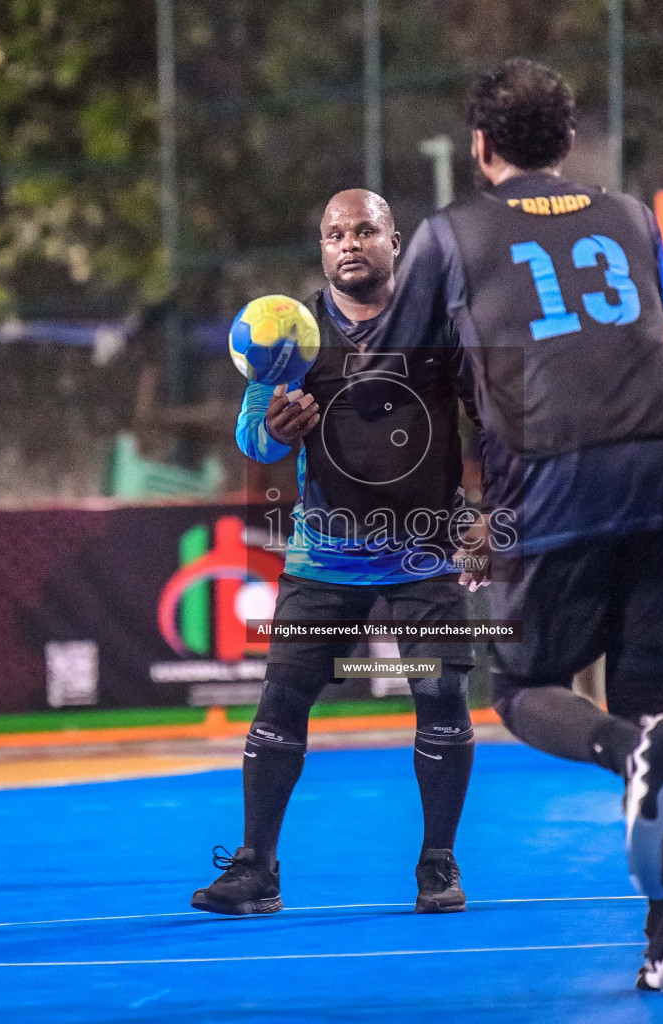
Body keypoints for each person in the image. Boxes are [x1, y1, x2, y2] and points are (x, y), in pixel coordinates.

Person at [382, 58, 663, 993]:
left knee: (525, 685)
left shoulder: (450, 235)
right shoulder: (632, 217)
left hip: (560, 460)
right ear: (570, 145)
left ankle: (621, 750)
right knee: (650, 684)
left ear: (478, 147)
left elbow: (392, 382)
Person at [191, 190, 480, 917]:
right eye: (333, 234)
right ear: (322, 251)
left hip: (425, 550)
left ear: (394, 241)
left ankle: (437, 864)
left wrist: (489, 513)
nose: (349, 243)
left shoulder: (440, 323)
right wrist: (278, 429)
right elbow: (253, 442)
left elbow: (495, 418)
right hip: (327, 555)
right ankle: (257, 868)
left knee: (440, 697)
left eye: (365, 230)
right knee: (280, 701)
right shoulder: (287, 331)